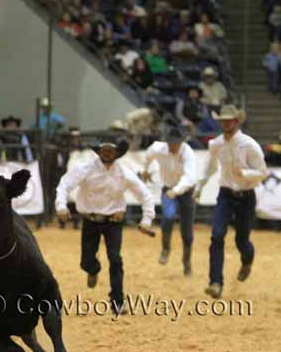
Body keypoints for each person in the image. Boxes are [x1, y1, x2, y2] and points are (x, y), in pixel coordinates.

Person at [55, 136, 155, 314]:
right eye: (104, 149)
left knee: (115, 259)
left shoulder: (124, 173)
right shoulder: (86, 169)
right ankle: (93, 269)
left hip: (114, 221)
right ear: (99, 151)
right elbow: (64, 184)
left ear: (117, 153)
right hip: (90, 220)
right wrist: (61, 206)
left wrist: (147, 219)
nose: (107, 153)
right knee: (86, 261)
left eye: (111, 150)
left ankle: (118, 301)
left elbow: (144, 194)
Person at [196, 105, 269, 299]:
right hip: (226, 194)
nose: (225, 123)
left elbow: (263, 173)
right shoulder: (216, 144)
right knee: (217, 235)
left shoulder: (249, 145)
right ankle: (215, 282)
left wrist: (245, 173)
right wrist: (200, 186)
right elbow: (210, 166)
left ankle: (247, 260)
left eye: (229, 120)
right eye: (223, 120)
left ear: (236, 122)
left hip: (246, 196)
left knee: (242, 239)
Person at [142, 125, 197, 276]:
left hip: (186, 191)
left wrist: (177, 190)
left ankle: (187, 262)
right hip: (168, 189)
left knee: (187, 231)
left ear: (181, 142)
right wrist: (145, 170)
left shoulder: (188, 153)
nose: (172, 145)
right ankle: (165, 249)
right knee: (168, 216)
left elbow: (190, 177)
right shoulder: (158, 148)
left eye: (175, 143)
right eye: (170, 142)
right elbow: (148, 155)